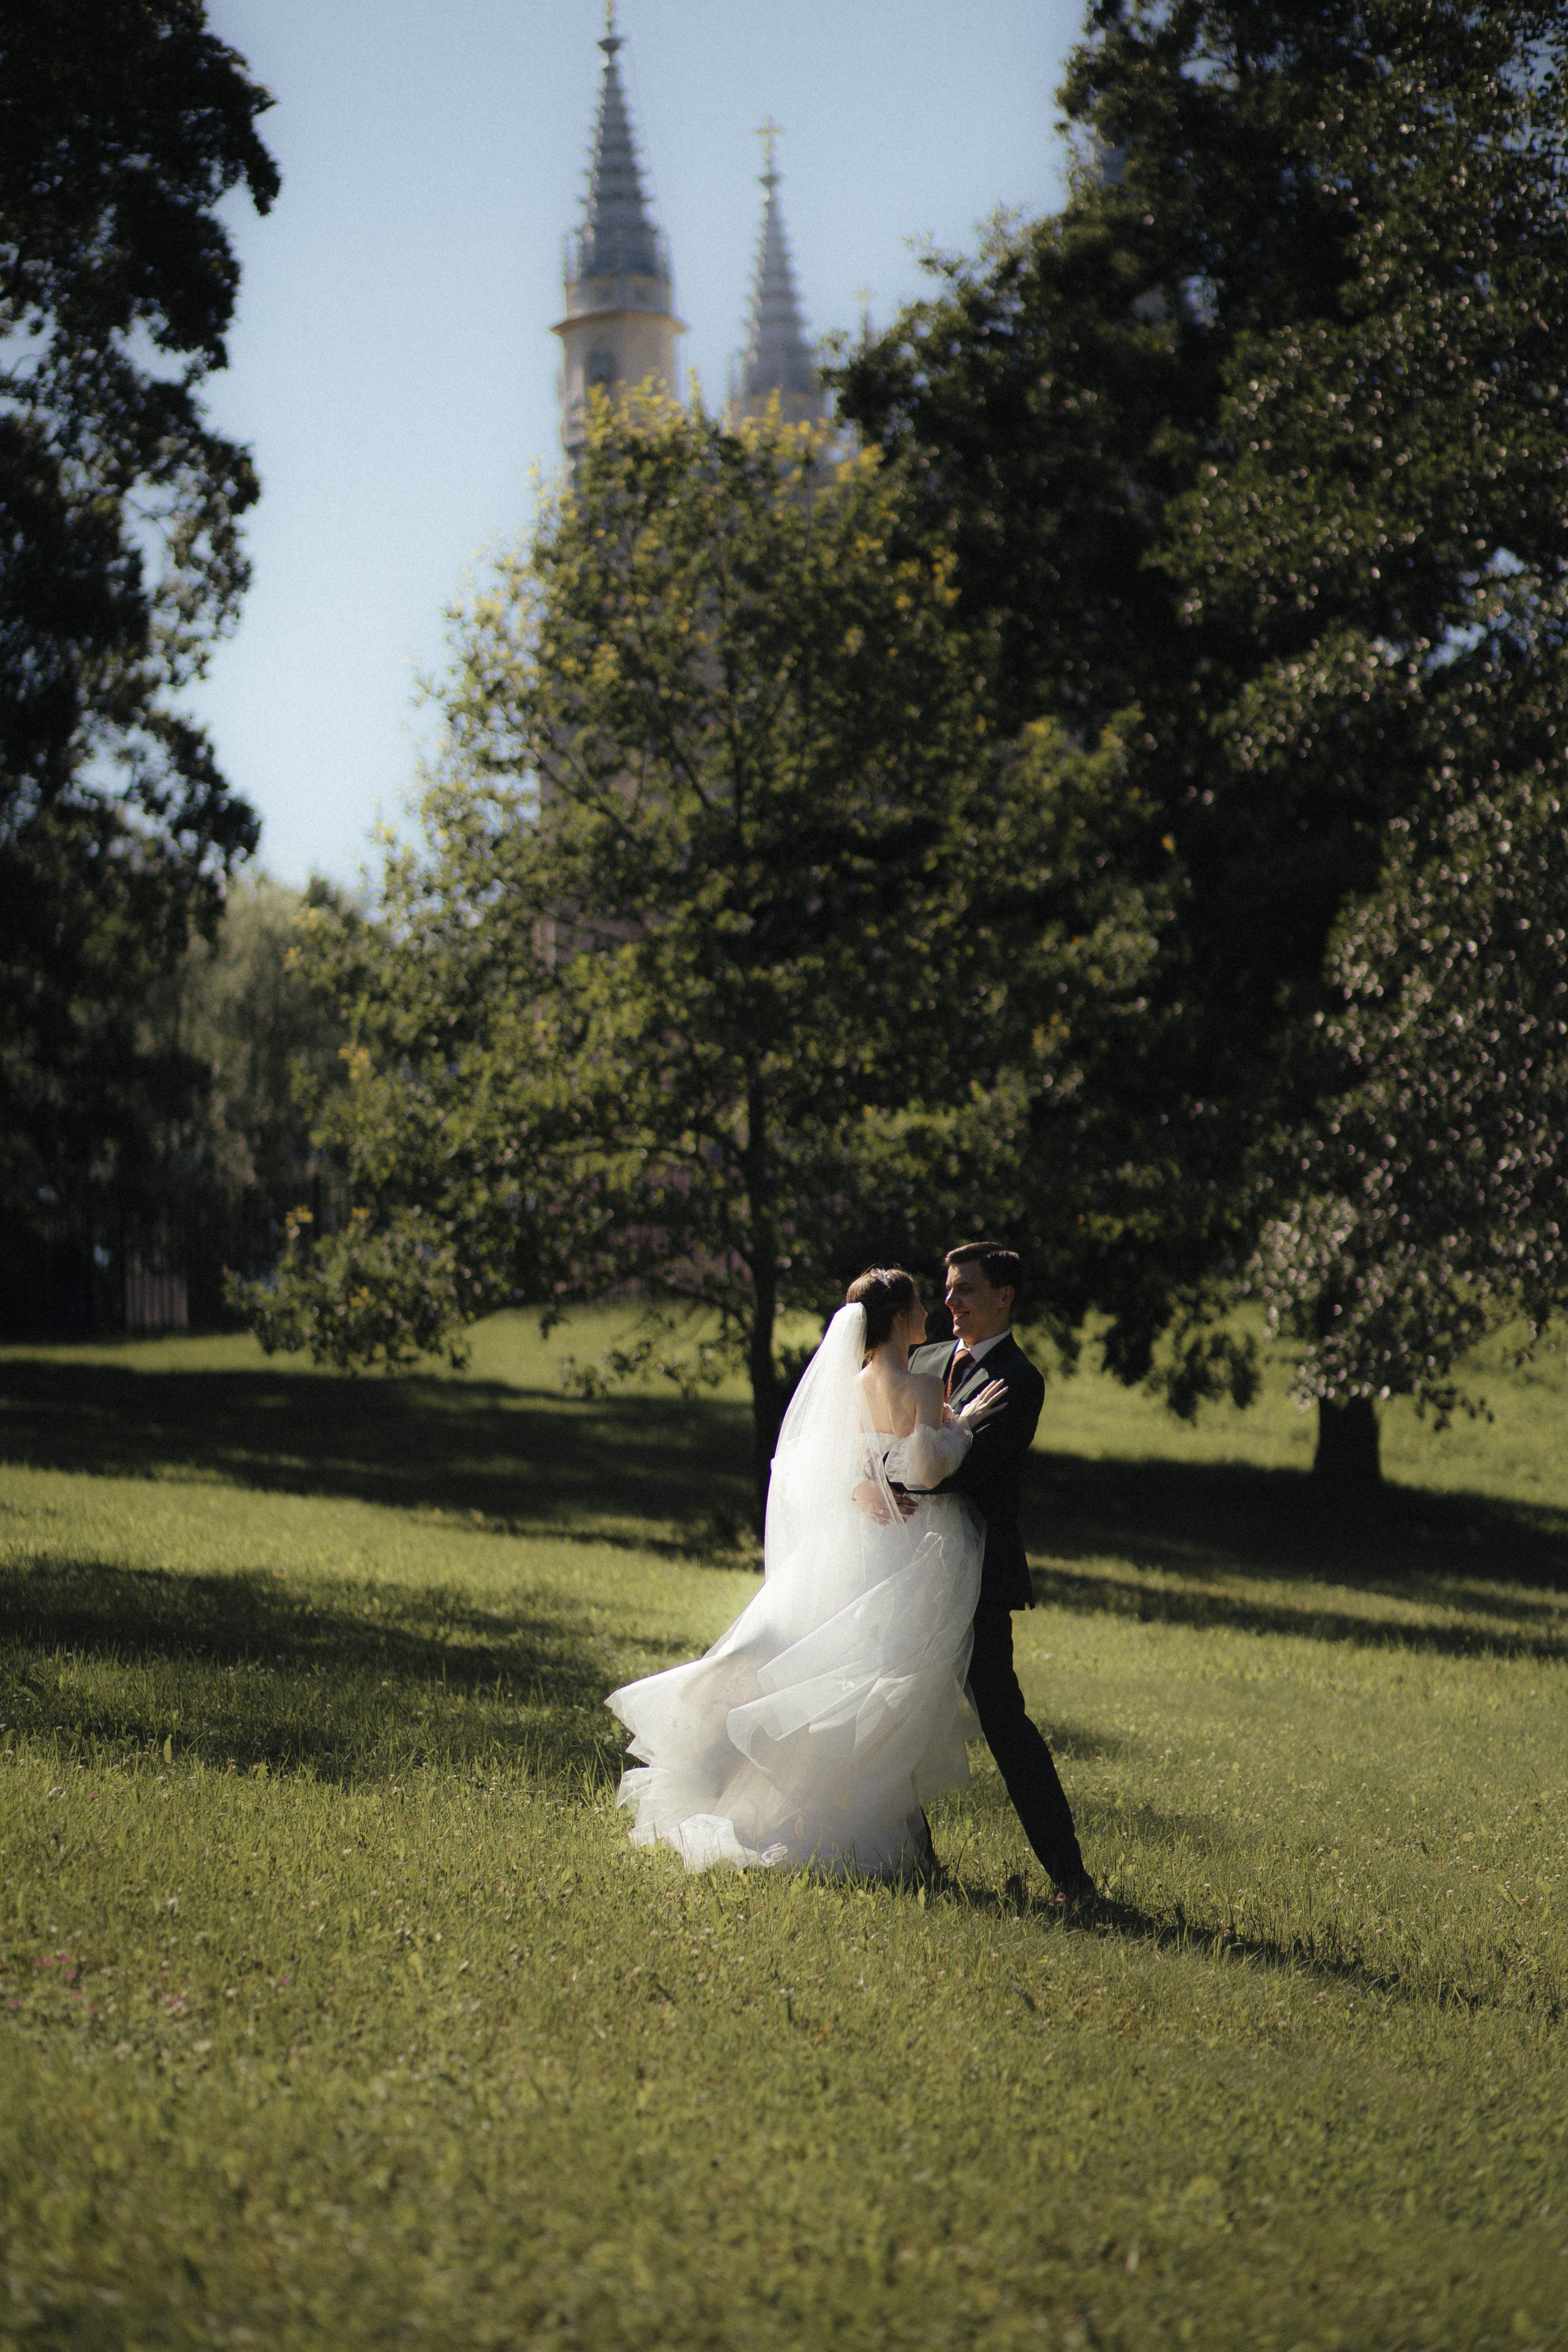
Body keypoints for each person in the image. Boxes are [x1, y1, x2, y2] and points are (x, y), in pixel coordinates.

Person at [605, 1268, 1006, 1876]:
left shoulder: (847, 1388)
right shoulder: (924, 1386)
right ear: (900, 1318)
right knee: (879, 1691)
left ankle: (821, 1809)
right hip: (904, 1549)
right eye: (919, 1303)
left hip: (849, 1548)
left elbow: (806, 1463)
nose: (928, 1310)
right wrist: (963, 1426)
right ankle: (861, 1823)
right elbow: (927, 1470)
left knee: (833, 1673)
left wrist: (861, 1484)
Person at [905, 1242, 1093, 1905]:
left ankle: (1069, 1876)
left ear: (1003, 1296)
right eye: (948, 1288)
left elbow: (968, 1472)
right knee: (889, 1712)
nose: (950, 1301)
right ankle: (911, 1855)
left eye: (965, 1289)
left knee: (1003, 1722)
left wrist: (898, 1476)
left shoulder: (1018, 1378)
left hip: (976, 1577)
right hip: (905, 1573)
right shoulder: (922, 1361)